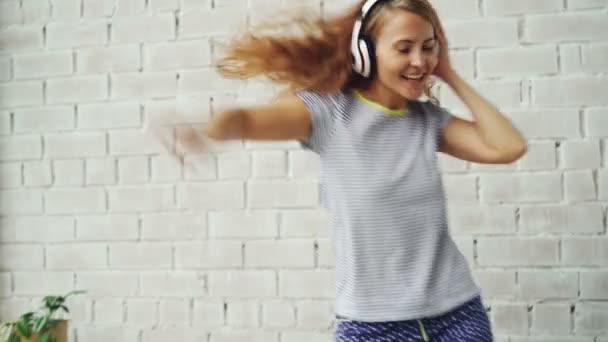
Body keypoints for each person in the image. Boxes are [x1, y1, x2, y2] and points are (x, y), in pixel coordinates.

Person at [166, 0, 527, 340]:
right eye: (404, 48)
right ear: (365, 52)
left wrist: (448, 73)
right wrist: (208, 128)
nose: (420, 61)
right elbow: (246, 120)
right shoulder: (330, 114)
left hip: (458, 315)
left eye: (428, 47)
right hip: (373, 326)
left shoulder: (427, 122)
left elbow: (509, 146)